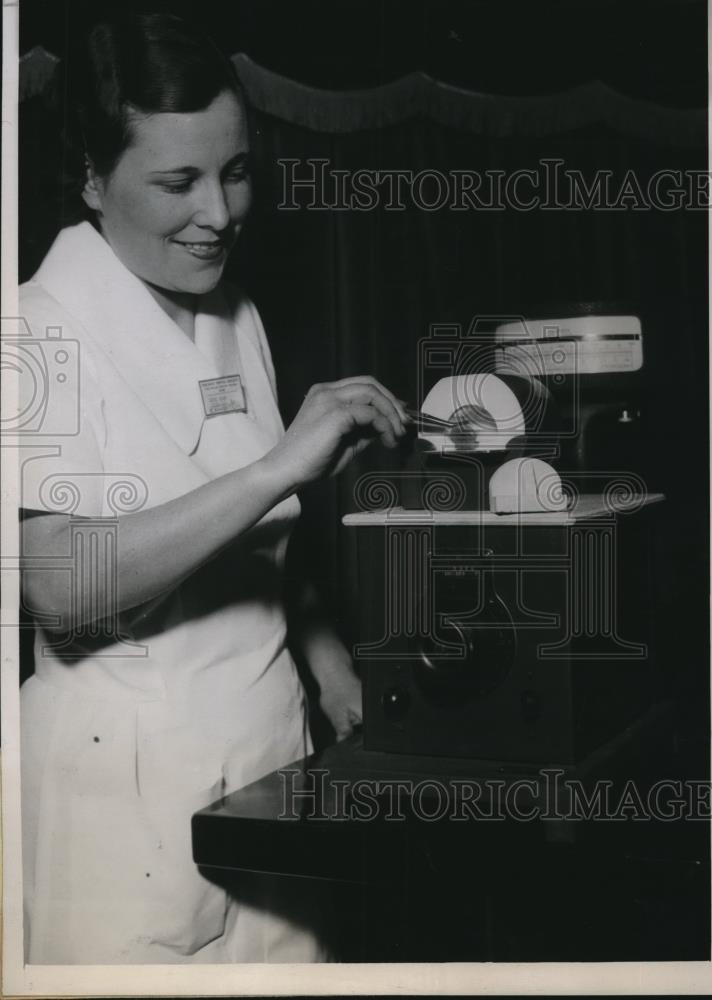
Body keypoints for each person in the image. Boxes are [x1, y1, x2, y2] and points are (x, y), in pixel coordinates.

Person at [18, 12, 407, 964]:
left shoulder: (234, 310)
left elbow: (263, 541)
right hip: (127, 811)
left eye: (235, 171)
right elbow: (61, 586)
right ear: (89, 179)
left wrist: (326, 664)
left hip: (272, 765)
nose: (221, 213)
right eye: (177, 182)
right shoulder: (31, 329)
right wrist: (276, 468)